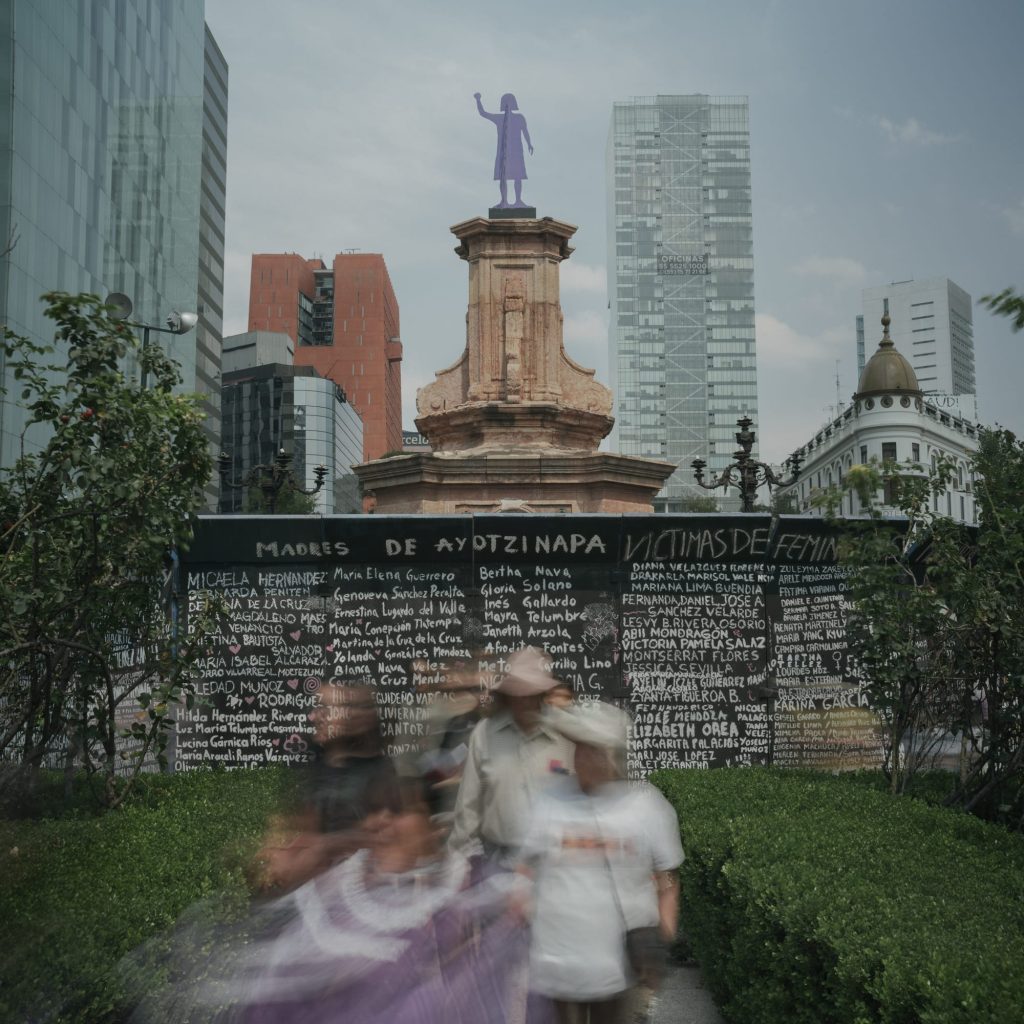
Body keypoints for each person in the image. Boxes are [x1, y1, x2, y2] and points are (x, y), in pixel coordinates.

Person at [516, 702, 683, 1024]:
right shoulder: (549, 802)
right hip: (557, 957)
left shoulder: (646, 807)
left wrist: (664, 930)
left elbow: (667, 875)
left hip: (616, 961)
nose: (584, 757)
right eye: (580, 748)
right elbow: (525, 865)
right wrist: (521, 895)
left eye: (594, 750)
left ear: (613, 755)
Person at [258, 681, 400, 891]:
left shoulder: (379, 772)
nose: (315, 716)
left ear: (359, 717)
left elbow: (385, 840)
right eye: (316, 707)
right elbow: (282, 832)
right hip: (303, 881)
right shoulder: (304, 764)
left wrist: (327, 845)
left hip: (355, 885)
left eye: (326, 708)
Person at [449, 646, 573, 867]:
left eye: (530, 693)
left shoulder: (566, 735)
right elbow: (468, 803)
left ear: (542, 694)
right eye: (517, 693)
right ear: (507, 694)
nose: (523, 700)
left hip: (555, 860)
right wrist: (459, 858)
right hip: (498, 860)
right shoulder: (485, 733)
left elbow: (582, 797)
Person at [474, 92, 534, 209]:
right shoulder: (499, 118)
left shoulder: (519, 118)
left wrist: (529, 144)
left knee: (518, 176)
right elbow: (483, 113)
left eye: (509, 102)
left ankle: (518, 201)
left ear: (514, 103)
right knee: (503, 176)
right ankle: (504, 201)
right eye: (506, 102)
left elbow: (525, 131)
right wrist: (478, 100)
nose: (508, 105)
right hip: (503, 151)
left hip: (517, 150)